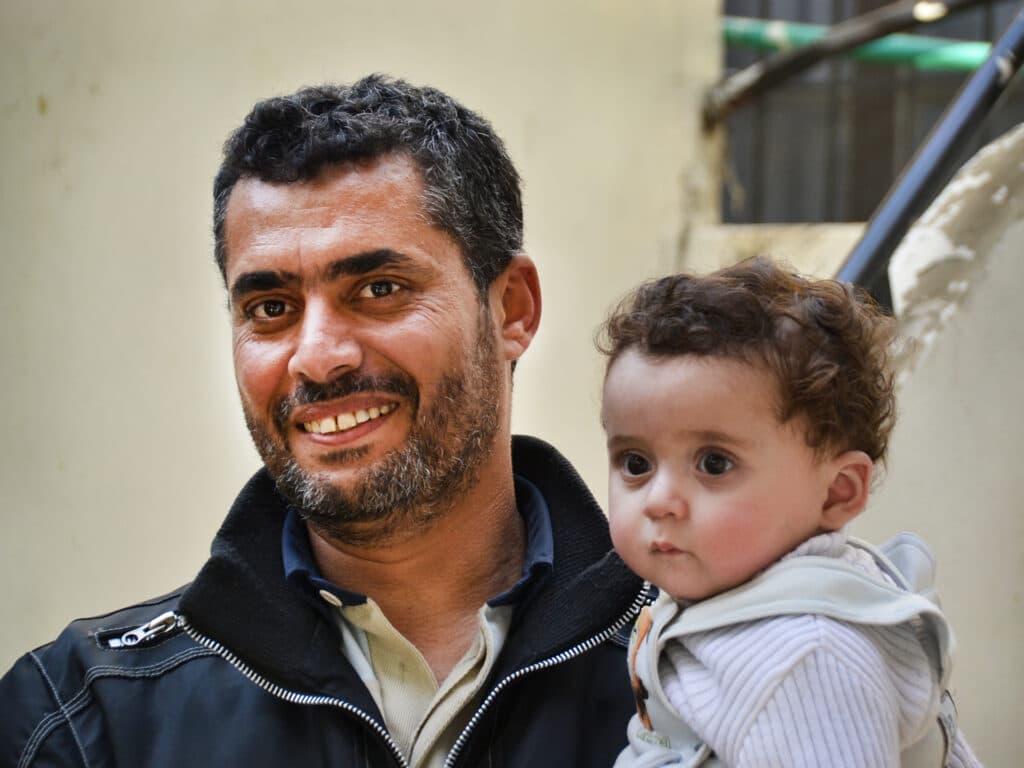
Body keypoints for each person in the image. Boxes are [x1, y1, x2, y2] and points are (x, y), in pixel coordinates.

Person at [0, 75, 646, 768]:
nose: (317, 358)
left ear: (512, 309)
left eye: (379, 290)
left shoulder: (711, 655)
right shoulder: (88, 718)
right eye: (271, 308)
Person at [598, 258, 981, 767]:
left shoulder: (803, 660)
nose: (658, 500)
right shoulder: (723, 596)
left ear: (837, 494)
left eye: (714, 463)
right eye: (636, 462)